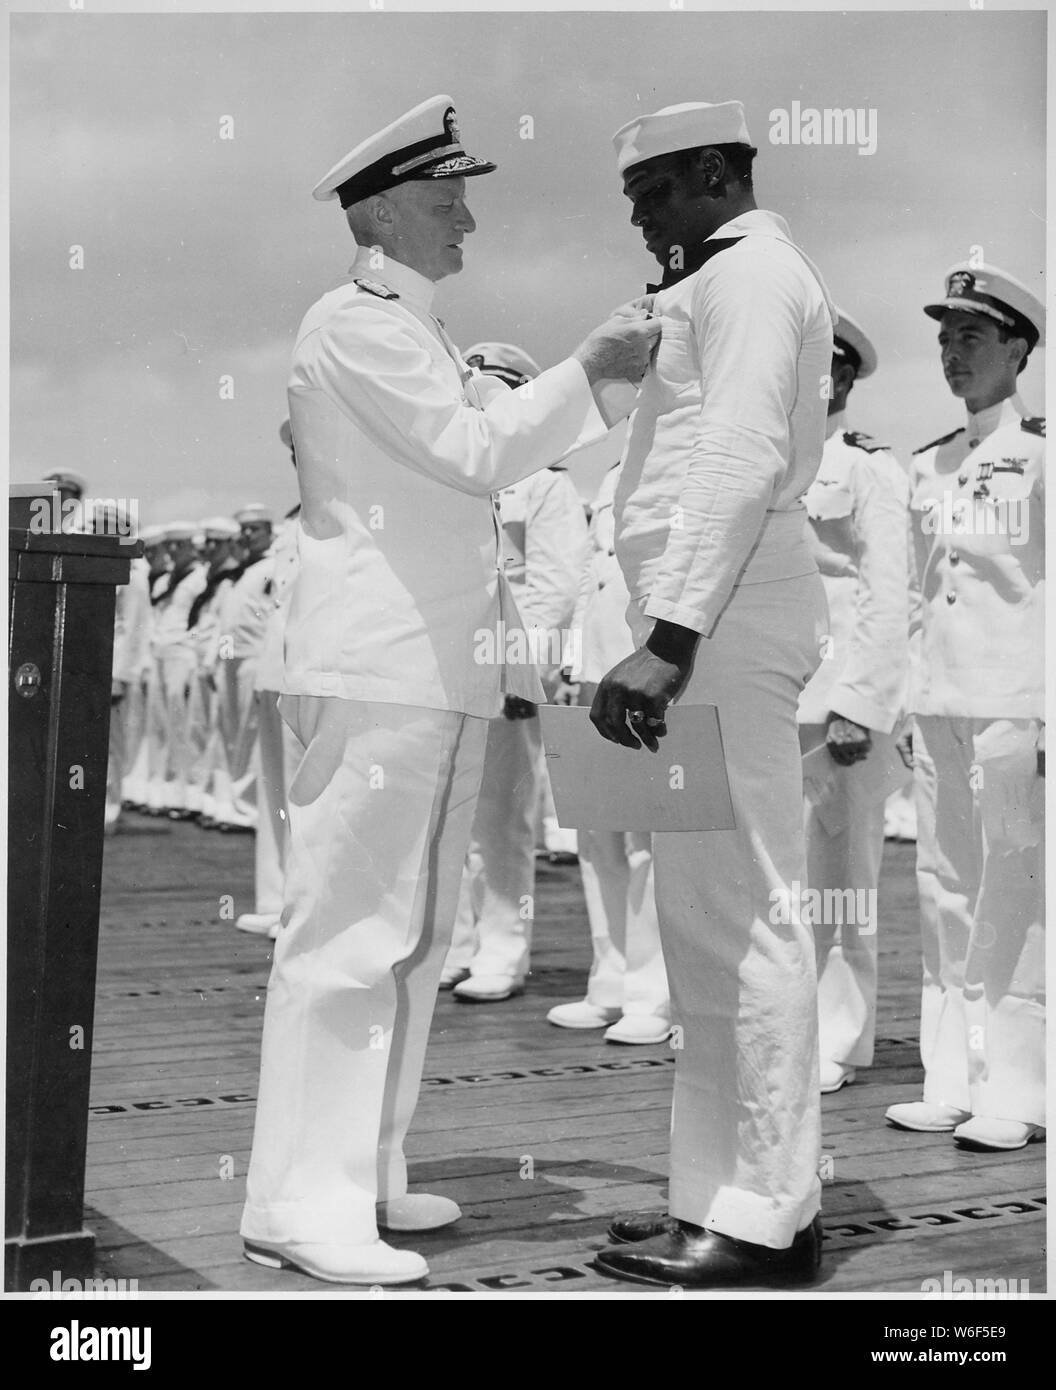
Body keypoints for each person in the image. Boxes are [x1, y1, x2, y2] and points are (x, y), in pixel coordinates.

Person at [239, 93, 659, 1286]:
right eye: (444, 196)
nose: (467, 215)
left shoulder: (414, 332)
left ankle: (363, 1171)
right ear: (380, 212)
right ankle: (295, 1201)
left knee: (411, 940)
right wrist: (593, 364)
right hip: (382, 674)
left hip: (434, 679)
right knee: (346, 938)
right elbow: (482, 454)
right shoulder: (359, 325)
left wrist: (598, 387)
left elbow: (507, 450)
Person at [588, 99, 836, 1288]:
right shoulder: (717, 277)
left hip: (722, 621)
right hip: (700, 619)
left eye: (649, 192)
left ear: (708, 173)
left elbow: (736, 450)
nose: (638, 217)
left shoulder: (751, 276)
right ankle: (716, 1192)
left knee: (749, 908)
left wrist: (672, 636)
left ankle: (767, 1214)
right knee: (701, 916)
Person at [886, 262, 1045, 1152]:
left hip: (1016, 705)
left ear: (1018, 348)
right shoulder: (932, 461)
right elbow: (918, 595)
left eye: (972, 337)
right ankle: (951, 1078)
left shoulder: (1044, 453)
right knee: (945, 888)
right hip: (943, 702)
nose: (952, 354)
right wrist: (911, 703)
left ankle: (1018, 1092)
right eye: (945, 338)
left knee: (1016, 897)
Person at [442, 341, 589, 1002]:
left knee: (502, 820)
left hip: (506, 675)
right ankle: (462, 942)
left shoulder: (547, 484)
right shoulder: (457, 480)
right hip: (453, 673)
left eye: (489, 388)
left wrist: (523, 671)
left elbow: (556, 586)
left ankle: (503, 949)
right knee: (455, 816)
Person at [798, 309, 909, 1093]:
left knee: (840, 876)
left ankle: (839, 1037)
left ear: (842, 378)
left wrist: (859, 706)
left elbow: (886, 592)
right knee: (786, 880)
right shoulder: (773, 460)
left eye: (822, 367)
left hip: (838, 707)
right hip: (777, 700)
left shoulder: (866, 468)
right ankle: (791, 1026)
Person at [547, 462, 671, 1042]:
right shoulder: (616, 469)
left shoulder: (684, 453)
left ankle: (651, 994)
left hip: (641, 664)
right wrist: (571, 662)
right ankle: (611, 981)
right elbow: (587, 576)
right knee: (597, 838)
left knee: (647, 838)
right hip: (595, 668)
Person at [237, 422, 303, 938]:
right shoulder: (294, 521)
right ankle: (277, 896)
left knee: (306, 796)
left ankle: (303, 907)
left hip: (310, 671)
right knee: (274, 791)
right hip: (274, 668)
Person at [143, 522, 206, 817]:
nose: (173, 551)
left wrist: (191, 649)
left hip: (182, 655)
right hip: (159, 652)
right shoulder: (165, 581)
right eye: (170, 546)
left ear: (191, 547)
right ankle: (160, 791)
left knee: (182, 724)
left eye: (179, 545)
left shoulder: (200, 578)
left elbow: (202, 620)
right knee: (158, 723)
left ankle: (185, 792)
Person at [184, 517, 242, 821]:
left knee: (219, 735)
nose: (208, 549)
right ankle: (200, 799)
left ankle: (219, 803)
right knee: (198, 730)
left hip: (215, 665)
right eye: (207, 542)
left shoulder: (231, 580)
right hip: (198, 661)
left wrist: (211, 663)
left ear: (229, 545)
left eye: (214, 543)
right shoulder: (209, 578)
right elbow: (197, 625)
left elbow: (224, 628)